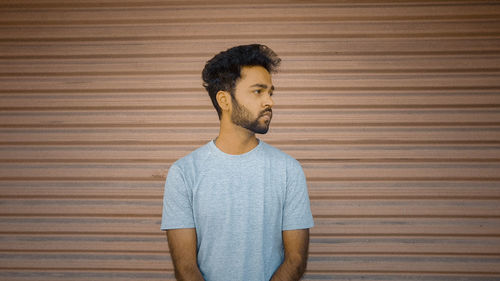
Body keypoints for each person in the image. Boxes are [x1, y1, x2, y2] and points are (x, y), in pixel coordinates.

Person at [161, 44, 314, 281]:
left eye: (270, 92)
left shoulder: (288, 170)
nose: (269, 102)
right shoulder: (184, 173)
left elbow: (295, 260)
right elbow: (185, 267)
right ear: (224, 100)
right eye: (258, 91)